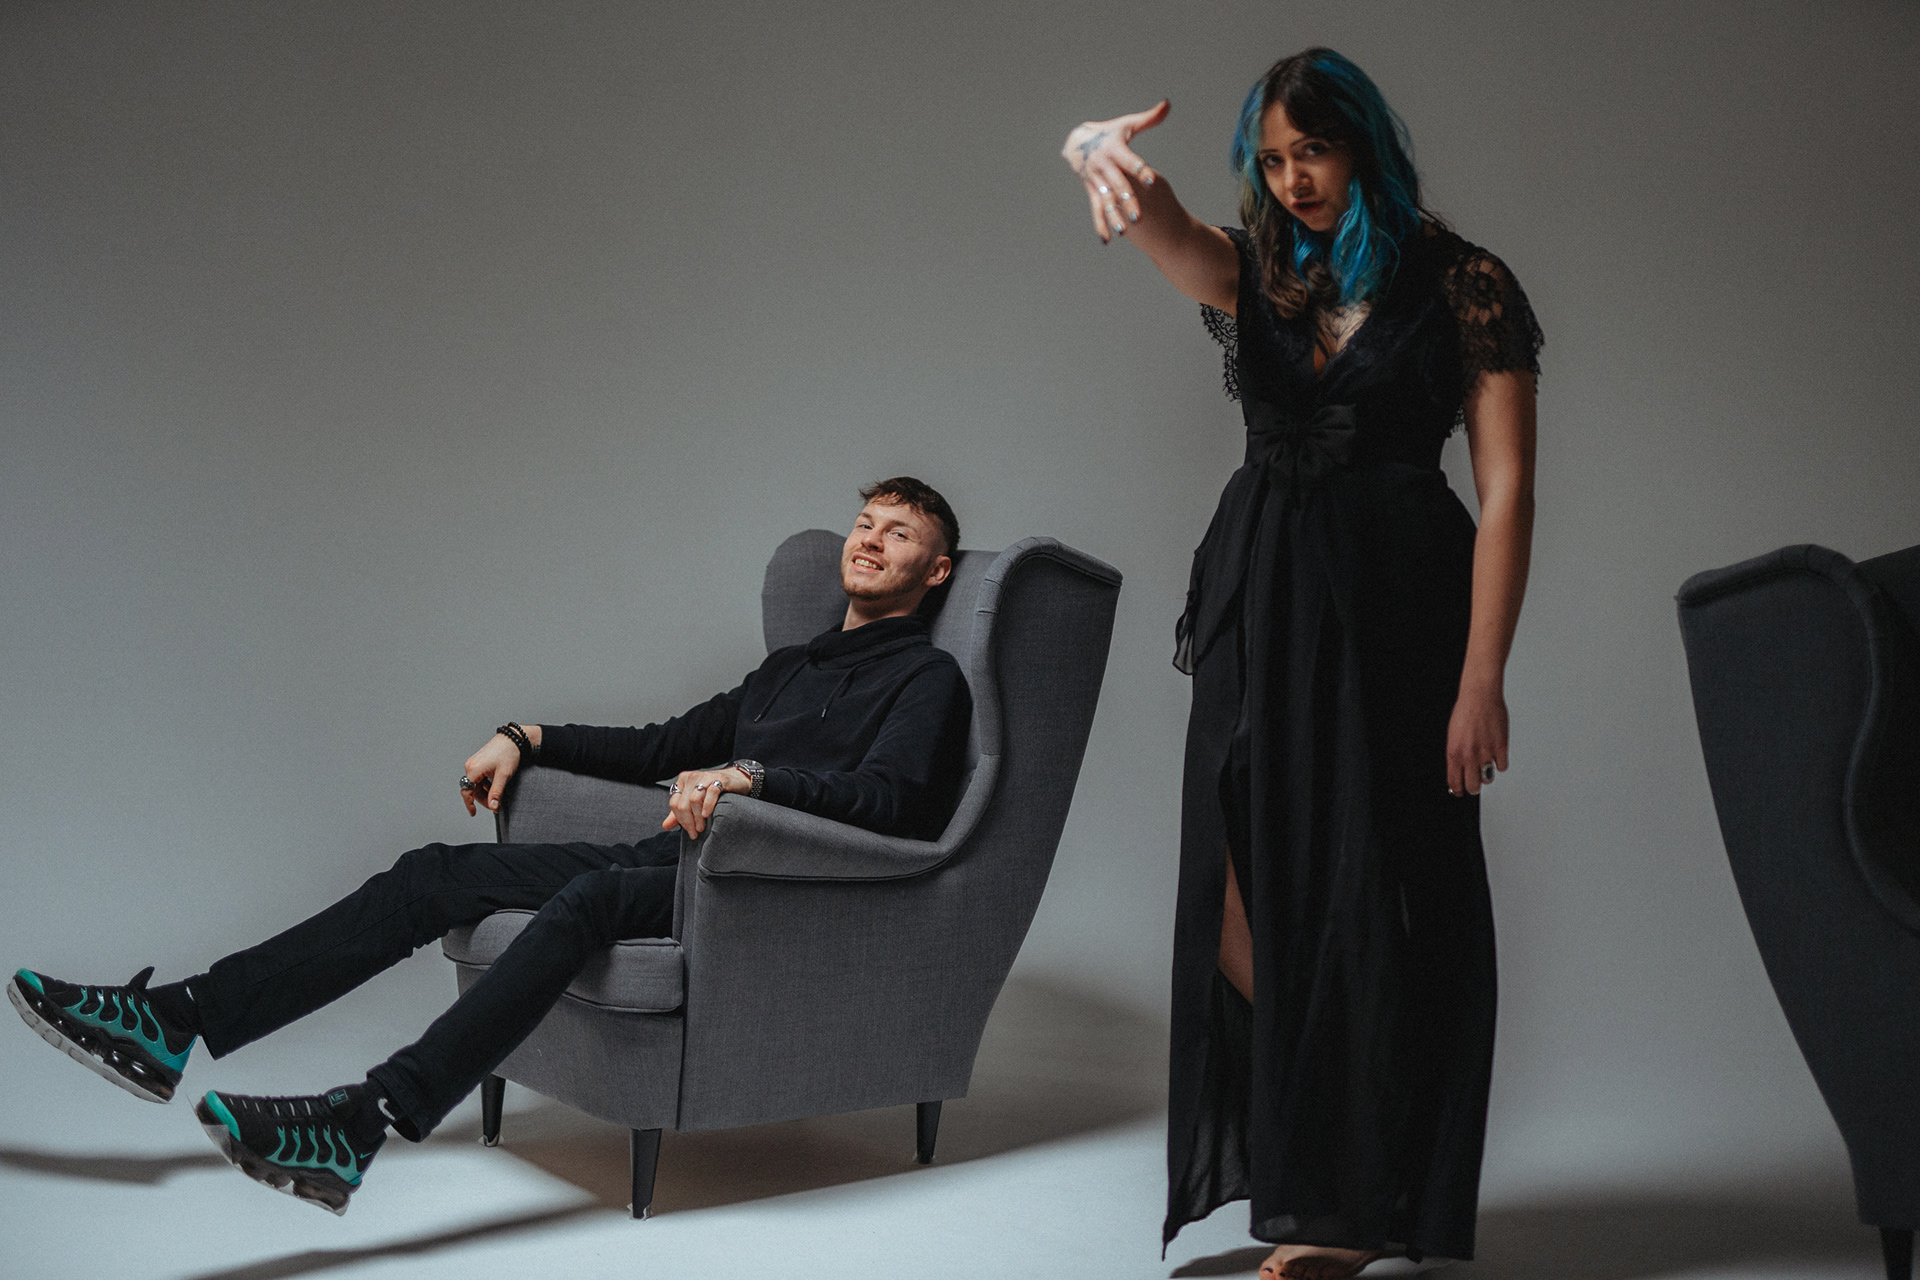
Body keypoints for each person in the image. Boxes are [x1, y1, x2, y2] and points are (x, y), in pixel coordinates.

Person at [10, 477, 972, 1216]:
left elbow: (890, 804)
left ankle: (360, 1123)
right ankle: (174, 1020)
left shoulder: (925, 681)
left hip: (766, 884)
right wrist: (527, 736)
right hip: (676, 862)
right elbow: (660, 746)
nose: (869, 540)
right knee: (433, 874)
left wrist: (752, 780)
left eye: (899, 534)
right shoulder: (787, 669)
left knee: (588, 901)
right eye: (865, 523)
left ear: (935, 573)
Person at [1063, 49, 1540, 1280]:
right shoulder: (1262, 269)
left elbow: (1506, 490)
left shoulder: (1466, 283)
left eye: (1312, 151)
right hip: (1260, 603)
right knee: (1238, 881)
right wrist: (1095, 154)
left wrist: (1482, 675)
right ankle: (1346, 1139)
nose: (1292, 181)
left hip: (1403, 611)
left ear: (1364, 144)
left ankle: (1352, 1202)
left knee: (1386, 887)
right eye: (1272, 161)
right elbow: (1171, 235)